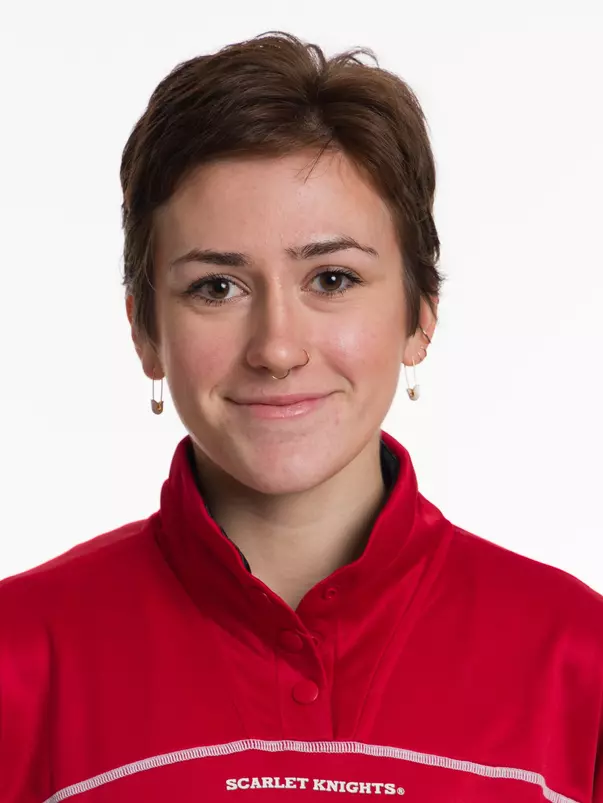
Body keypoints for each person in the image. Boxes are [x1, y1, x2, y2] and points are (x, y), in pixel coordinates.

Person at [0, 31, 601, 803]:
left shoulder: (576, 660)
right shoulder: (17, 658)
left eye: (331, 277)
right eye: (216, 287)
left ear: (420, 314)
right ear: (146, 331)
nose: (276, 348)